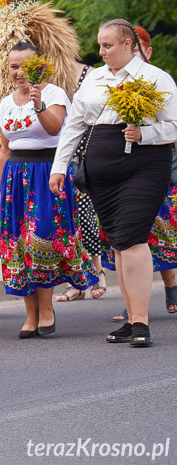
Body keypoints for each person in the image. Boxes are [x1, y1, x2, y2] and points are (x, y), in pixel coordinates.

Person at [50, 19, 177, 347]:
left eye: (108, 45)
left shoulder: (154, 78)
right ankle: (132, 318)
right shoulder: (94, 80)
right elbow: (74, 126)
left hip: (143, 167)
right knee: (119, 242)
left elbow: (174, 125)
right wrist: (58, 167)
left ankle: (141, 324)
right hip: (101, 173)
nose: (102, 51)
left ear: (128, 44)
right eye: (100, 45)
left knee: (133, 238)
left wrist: (145, 133)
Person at [0, 41, 97, 338]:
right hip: (16, 176)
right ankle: (29, 313)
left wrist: (38, 105)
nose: (19, 72)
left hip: (48, 173)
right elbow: (4, 149)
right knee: (19, 241)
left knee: (43, 237)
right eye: (13, 66)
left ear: (41, 66)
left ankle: (47, 309)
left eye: (26, 65)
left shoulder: (53, 93)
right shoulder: (6, 101)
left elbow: (54, 129)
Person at [101, 27, 177, 320]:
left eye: (143, 48)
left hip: (158, 165)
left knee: (162, 229)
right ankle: (133, 303)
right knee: (130, 235)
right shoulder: (109, 80)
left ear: (146, 50)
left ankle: (170, 286)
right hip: (120, 169)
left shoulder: (158, 79)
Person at [55, 60, 107, 302]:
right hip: (58, 152)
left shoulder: (90, 74)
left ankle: (97, 271)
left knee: (85, 214)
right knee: (66, 218)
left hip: (84, 150)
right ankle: (75, 279)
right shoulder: (43, 75)